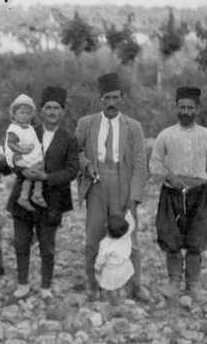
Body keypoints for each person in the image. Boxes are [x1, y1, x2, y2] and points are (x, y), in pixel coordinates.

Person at [75, 73, 150, 302]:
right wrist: (86, 165)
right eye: (106, 98)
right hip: (96, 183)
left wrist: (134, 198)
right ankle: (92, 282)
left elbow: (139, 165)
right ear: (100, 99)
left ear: (122, 98)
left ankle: (136, 284)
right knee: (94, 235)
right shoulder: (86, 124)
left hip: (123, 181)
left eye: (115, 97)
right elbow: (74, 152)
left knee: (130, 236)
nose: (110, 103)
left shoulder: (133, 127)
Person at [7, 86, 79, 300]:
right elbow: (12, 157)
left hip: (52, 200)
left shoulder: (69, 139)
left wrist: (47, 178)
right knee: (21, 242)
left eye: (56, 108)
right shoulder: (27, 131)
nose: (52, 112)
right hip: (24, 196)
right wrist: (23, 170)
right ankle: (22, 285)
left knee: (47, 246)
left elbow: (72, 170)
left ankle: (46, 288)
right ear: (40, 110)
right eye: (48, 108)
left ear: (62, 111)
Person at [149, 86, 207, 304]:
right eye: (182, 107)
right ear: (176, 108)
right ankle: (173, 281)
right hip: (172, 194)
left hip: (199, 194)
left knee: (196, 240)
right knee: (171, 237)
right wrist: (169, 177)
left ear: (197, 109)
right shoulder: (166, 135)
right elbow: (155, 163)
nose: (186, 112)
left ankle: (193, 284)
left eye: (190, 108)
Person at [5, 94, 46, 208]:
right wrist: (21, 150)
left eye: (28, 113)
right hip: (20, 157)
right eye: (22, 113)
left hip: (31, 156)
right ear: (14, 113)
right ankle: (29, 196)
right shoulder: (14, 129)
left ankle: (32, 195)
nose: (25, 116)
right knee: (34, 173)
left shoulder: (30, 128)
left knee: (37, 172)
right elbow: (10, 143)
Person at [95, 211, 135, 306]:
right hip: (124, 266)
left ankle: (114, 303)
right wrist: (129, 213)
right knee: (121, 283)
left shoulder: (105, 244)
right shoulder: (125, 237)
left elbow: (101, 259)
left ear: (107, 230)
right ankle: (122, 296)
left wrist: (97, 268)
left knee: (112, 287)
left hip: (112, 270)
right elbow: (131, 226)